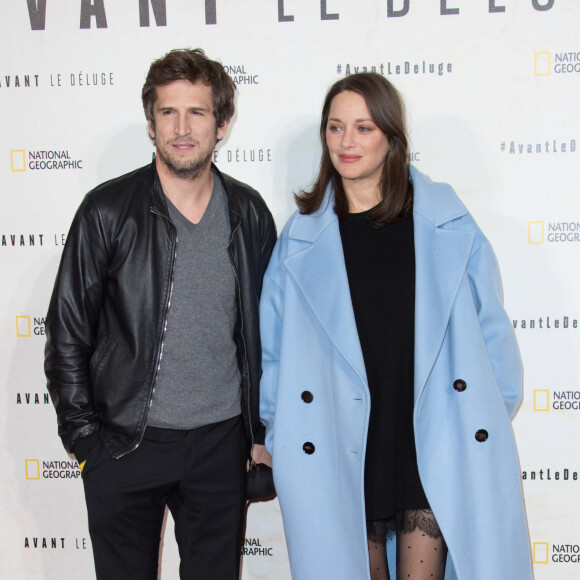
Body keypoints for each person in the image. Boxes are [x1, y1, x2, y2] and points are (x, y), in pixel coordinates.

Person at [259, 72, 532, 580]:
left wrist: (478, 419)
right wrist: (281, 433)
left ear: (390, 135)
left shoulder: (445, 223)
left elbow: (493, 331)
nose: (346, 142)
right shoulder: (300, 240)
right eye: (336, 127)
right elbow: (272, 351)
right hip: (339, 440)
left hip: (428, 436)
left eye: (363, 127)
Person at [44, 48, 276, 580]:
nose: (182, 128)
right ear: (151, 124)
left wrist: (259, 433)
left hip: (221, 444)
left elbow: (267, 336)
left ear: (222, 124)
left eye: (196, 112)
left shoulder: (248, 212)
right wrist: (86, 444)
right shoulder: (106, 211)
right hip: (126, 443)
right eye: (168, 112)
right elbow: (67, 335)